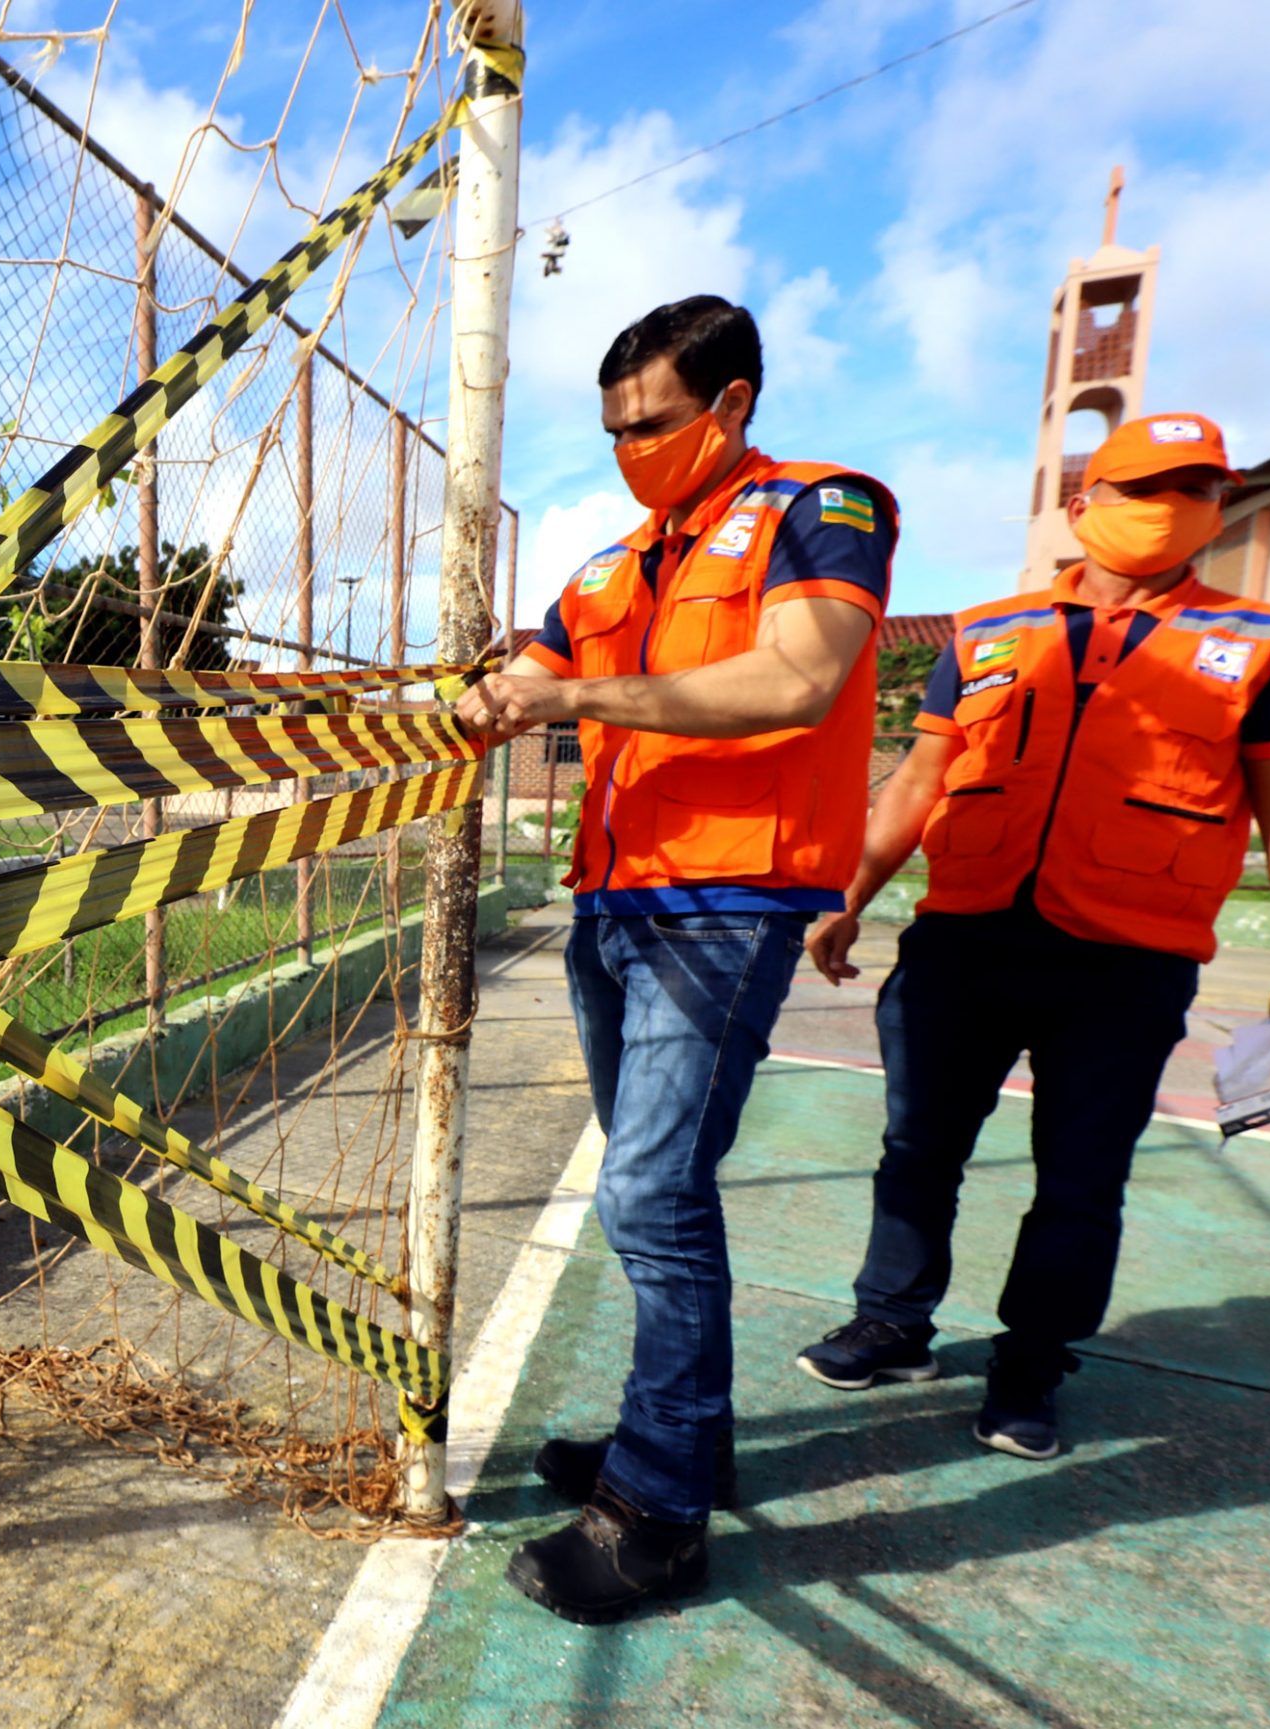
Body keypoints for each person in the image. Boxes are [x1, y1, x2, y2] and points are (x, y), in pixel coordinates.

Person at [453, 295, 897, 1623]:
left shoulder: (827, 508)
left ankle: (657, 1517)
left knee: (648, 1192)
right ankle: (685, 1437)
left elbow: (798, 681)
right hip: (616, 901)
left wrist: (571, 697)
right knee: (662, 1183)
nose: (630, 448)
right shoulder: (602, 570)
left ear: (734, 401)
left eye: (651, 423)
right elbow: (520, 677)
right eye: (612, 432)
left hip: (732, 900)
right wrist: (482, 697)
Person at [794, 411, 1270, 1461]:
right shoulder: (987, 630)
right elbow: (920, 776)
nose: (1163, 511)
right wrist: (847, 891)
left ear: (1215, 509)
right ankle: (893, 1321)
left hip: (1126, 960)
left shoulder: (1263, 648)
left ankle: (1030, 1363)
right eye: (1139, 488)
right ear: (1080, 502)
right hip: (963, 938)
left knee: (1080, 1178)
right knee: (916, 1149)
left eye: (1191, 490)